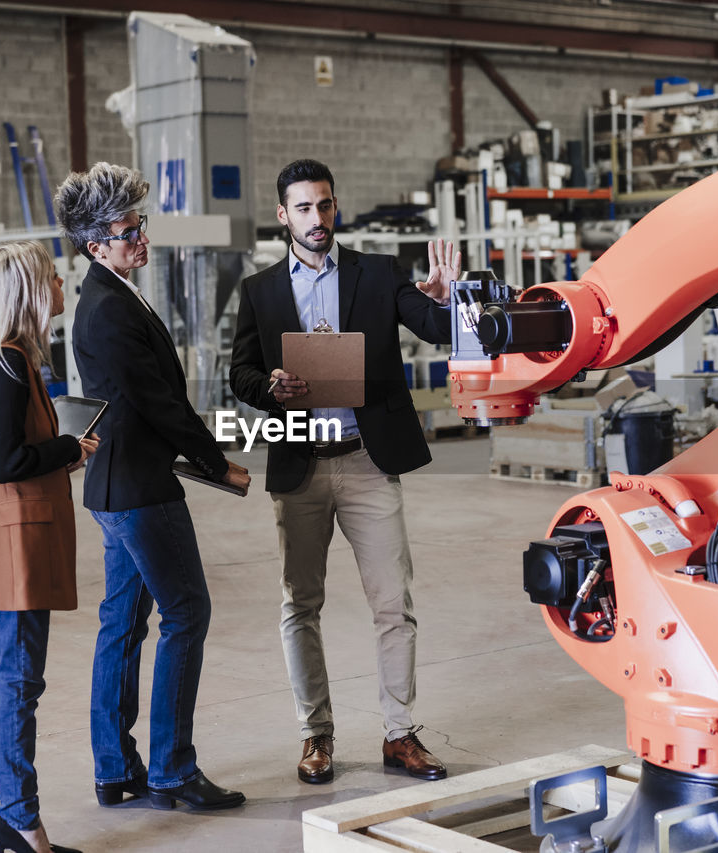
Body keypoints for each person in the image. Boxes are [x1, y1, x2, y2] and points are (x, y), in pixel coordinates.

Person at [229, 159, 460, 785]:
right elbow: (241, 374)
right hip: (301, 460)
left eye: (325, 206)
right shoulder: (261, 291)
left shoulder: (379, 273)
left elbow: (436, 328)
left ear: (337, 208)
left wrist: (449, 295)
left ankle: (399, 734)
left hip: (366, 459)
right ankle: (316, 736)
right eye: (303, 208)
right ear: (284, 216)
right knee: (300, 604)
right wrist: (271, 385)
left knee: (394, 603)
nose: (317, 218)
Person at [54, 162, 251, 812]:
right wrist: (217, 462)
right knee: (187, 613)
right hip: (140, 490)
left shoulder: (110, 295)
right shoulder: (107, 310)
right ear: (95, 244)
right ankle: (171, 769)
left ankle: (115, 768)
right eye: (127, 228)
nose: (140, 237)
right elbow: (160, 404)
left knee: (122, 624)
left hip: (116, 490)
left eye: (141, 224)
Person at [0, 241, 97, 853]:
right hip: (15, 548)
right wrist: (69, 448)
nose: (62, 284)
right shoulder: (7, 365)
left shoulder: (5, 362)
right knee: (17, 683)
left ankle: (15, 812)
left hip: (16, 540)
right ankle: (18, 818)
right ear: (27, 292)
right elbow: (9, 461)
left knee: (19, 680)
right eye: (53, 277)